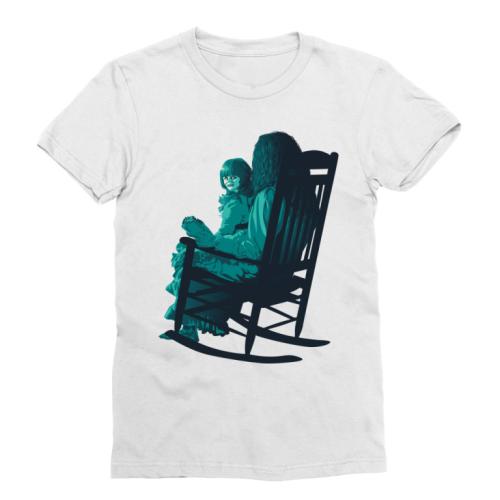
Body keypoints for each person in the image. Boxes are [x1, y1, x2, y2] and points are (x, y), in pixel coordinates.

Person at [164, 158, 253, 341]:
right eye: (225, 177)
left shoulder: (235, 204)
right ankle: (190, 325)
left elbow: (225, 230)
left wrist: (210, 242)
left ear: (244, 176)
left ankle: (189, 326)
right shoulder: (248, 200)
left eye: (234, 177)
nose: (229, 181)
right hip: (237, 244)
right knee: (193, 256)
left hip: (234, 247)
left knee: (191, 259)